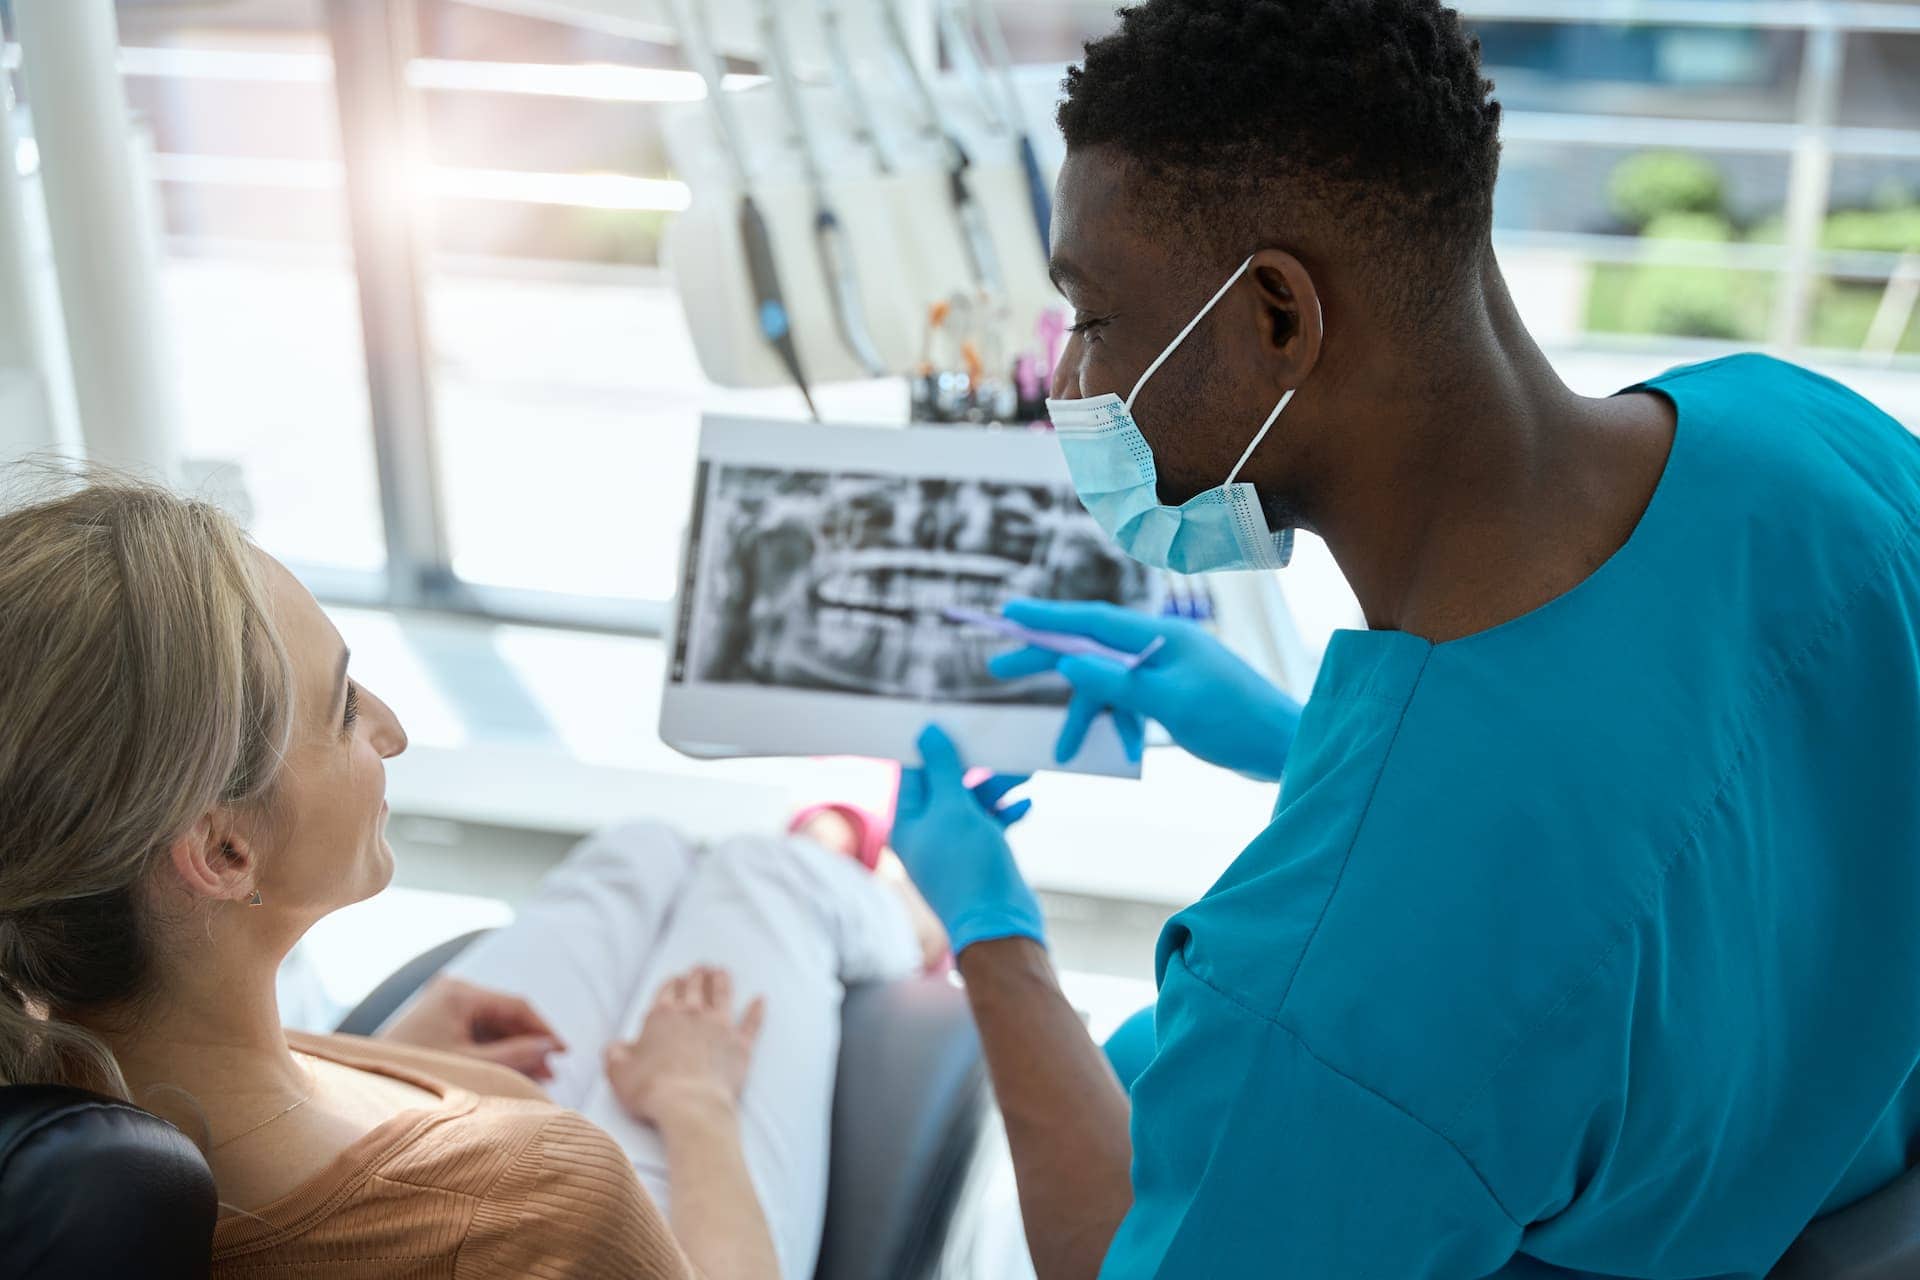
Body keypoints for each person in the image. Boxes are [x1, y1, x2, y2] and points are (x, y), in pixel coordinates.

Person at [883, 1, 1920, 1276]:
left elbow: (1125, 1252)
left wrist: (989, 929)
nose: (1071, 384)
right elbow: (1694, 813)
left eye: (1092, 318)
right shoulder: (1815, 441)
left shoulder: (1333, 1000)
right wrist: (1302, 742)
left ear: (1277, 317)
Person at [0, 478, 937, 1279]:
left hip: (392, 1107)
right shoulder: (540, 1208)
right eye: (343, 709)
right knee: (762, 883)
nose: (393, 728)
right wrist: (696, 1106)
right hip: (624, 1209)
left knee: (638, 855)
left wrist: (385, 1052)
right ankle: (847, 870)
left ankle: (827, 854)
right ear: (223, 854)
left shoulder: (70, 1065)